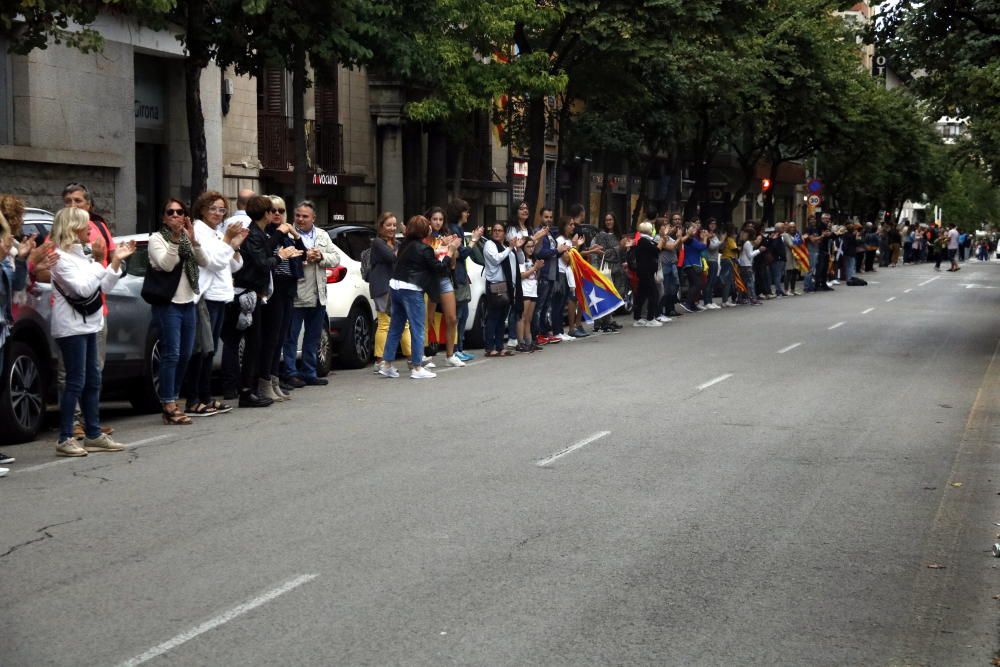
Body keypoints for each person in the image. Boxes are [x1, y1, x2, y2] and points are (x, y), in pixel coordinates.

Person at [48, 207, 135, 456]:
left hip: (90, 323)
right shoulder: (60, 258)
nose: (90, 229)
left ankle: (94, 434)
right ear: (73, 228)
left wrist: (115, 261)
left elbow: (104, 286)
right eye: (85, 225)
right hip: (71, 327)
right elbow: (83, 290)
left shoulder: (83, 255)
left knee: (93, 380)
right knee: (75, 381)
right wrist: (99, 263)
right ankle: (65, 437)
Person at [182, 190, 246, 417]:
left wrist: (235, 244)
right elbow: (213, 262)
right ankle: (195, 398)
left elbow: (235, 265)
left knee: (211, 350)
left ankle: (206, 397)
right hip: (206, 296)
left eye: (221, 210)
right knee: (203, 350)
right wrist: (229, 241)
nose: (218, 213)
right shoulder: (199, 231)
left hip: (221, 296)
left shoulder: (217, 233)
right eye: (213, 208)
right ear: (202, 209)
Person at [61, 183, 117, 437]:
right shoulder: (60, 239)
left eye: (78, 201)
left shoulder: (99, 228)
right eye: (69, 201)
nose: (73, 205)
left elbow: (107, 270)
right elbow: (81, 286)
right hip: (72, 315)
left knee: (94, 371)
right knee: (72, 375)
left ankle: (90, 422)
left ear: (89, 205)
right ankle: (70, 426)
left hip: (97, 309)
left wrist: (114, 264)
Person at [147, 198, 208, 425]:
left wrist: (193, 241)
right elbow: (166, 265)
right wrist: (174, 240)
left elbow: (204, 261)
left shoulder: (186, 238)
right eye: (170, 212)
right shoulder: (157, 239)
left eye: (179, 212)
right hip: (168, 303)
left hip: (187, 302)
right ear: (163, 217)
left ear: (185, 216)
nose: (174, 215)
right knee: (171, 354)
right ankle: (169, 403)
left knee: (185, 354)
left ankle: (173, 397)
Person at [378, 215, 450, 378]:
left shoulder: (405, 244)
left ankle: (387, 364)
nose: (431, 228)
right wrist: (448, 253)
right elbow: (438, 268)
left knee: (395, 327)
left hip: (395, 286)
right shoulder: (424, 248)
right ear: (424, 230)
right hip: (411, 288)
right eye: (428, 226)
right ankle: (417, 367)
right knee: (417, 328)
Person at [282, 200, 338, 387]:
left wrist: (320, 256)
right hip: (297, 293)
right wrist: (304, 257)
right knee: (291, 336)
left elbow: (335, 258)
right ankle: (290, 373)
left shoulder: (322, 235)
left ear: (313, 218)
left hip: (318, 294)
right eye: (298, 215)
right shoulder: (288, 235)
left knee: (313, 337)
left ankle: (309, 372)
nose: (300, 219)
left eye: (305, 216)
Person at [0, 210, 40, 471]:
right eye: (4, 236)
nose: (7, 242)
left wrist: (22, 259)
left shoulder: (4, 262)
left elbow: (16, 288)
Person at [258, 195, 304, 401]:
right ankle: (265, 381)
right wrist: (279, 233)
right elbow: (265, 253)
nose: (277, 214)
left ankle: (275, 380)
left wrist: (294, 233)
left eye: (281, 211)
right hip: (271, 289)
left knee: (282, 337)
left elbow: (302, 253)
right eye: (273, 210)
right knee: (271, 337)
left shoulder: (286, 234)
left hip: (288, 287)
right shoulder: (266, 233)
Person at [370, 212, 412, 369]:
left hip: (396, 285)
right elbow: (393, 257)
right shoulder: (377, 243)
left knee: (404, 323)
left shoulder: (396, 244)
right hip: (382, 286)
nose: (392, 228)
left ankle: (412, 358)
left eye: (394, 225)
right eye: (388, 225)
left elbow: (404, 256)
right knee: (385, 323)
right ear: (381, 226)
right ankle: (379, 361)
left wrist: (407, 239)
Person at [428, 206, 465, 367]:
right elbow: (428, 254)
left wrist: (453, 249)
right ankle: (426, 355)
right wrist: (443, 245)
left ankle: (450, 354)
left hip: (444, 277)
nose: (437, 222)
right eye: (435, 219)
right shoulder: (426, 236)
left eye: (440, 219)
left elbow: (452, 261)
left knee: (452, 318)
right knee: (427, 319)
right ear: (429, 220)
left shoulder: (446, 235)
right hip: (428, 279)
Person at [445, 198, 479, 361]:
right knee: (458, 314)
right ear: (459, 213)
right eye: (466, 211)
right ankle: (456, 349)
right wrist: (474, 240)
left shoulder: (456, 229)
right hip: (456, 276)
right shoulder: (455, 230)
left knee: (463, 312)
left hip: (460, 275)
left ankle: (459, 347)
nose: (468, 214)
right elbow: (462, 253)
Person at [481, 222, 522, 356]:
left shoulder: (505, 247)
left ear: (504, 233)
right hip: (495, 284)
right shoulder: (490, 245)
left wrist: (517, 248)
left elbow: (519, 261)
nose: (497, 232)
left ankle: (500, 346)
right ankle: (489, 347)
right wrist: (510, 248)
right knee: (493, 317)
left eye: (500, 230)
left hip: (507, 286)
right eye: (495, 230)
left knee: (502, 318)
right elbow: (496, 259)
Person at [531, 208, 563, 345]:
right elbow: (538, 252)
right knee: (539, 306)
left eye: (550, 217)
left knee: (546, 306)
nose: (549, 219)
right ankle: (536, 334)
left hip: (551, 274)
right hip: (543, 274)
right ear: (540, 217)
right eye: (546, 216)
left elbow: (553, 253)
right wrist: (556, 250)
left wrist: (562, 251)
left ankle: (545, 332)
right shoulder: (538, 232)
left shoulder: (550, 232)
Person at [592, 212, 625, 331]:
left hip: (618, 269)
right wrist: (619, 248)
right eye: (606, 220)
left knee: (618, 294)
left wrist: (625, 248)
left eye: (610, 219)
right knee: (606, 295)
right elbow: (604, 254)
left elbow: (621, 252)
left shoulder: (617, 235)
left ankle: (609, 319)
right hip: (607, 268)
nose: (609, 222)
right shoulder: (602, 235)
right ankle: (601, 322)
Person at [629, 221, 662, 326]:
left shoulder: (646, 240)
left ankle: (637, 318)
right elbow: (656, 250)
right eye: (651, 228)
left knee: (641, 295)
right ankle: (650, 318)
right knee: (654, 294)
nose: (653, 230)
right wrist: (663, 239)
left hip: (644, 272)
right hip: (646, 272)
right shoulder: (643, 241)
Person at [518, 239, 544, 350]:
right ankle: (520, 342)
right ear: (524, 247)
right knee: (522, 317)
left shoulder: (533, 259)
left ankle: (529, 341)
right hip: (524, 290)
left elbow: (535, 276)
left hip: (533, 290)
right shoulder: (521, 259)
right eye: (528, 246)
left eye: (532, 246)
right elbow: (522, 275)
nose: (531, 249)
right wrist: (534, 268)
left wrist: (538, 269)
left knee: (529, 318)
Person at [680, 220, 707, 312]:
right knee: (697, 284)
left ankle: (692, 305)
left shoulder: (692, 238)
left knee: (693, 284)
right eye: (693, 227)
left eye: (696, 227)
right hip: (690, 264)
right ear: (687, 229)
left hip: (693, 263)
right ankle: (687, 303)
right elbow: (702, 247)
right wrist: (705, 238)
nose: (696, 229)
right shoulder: (689, 239)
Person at [738, 227, 763, 306]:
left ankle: (741, 298)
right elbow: (750, 255)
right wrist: (759, 250)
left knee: (743, 283)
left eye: (745, 233)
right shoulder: (748, 243)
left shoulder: (745, 243)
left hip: (743, 265)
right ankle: (753, 299)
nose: (743, 234)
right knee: (750, 283)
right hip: (747, 265)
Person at [702, 218, 722, 309]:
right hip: (709, 260)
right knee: (709, 282)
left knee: (712, 281)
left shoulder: (714, 234)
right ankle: (707, 302)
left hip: (714, 259)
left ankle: (710, 301)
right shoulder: (706, 233)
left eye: (714, 223)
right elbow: (711, 247)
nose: (713, 225)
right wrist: (721, 241)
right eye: (711, 224)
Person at [719, 224, 739, 307]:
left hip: (724, 259)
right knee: (727, 281)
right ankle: (725, 301)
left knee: (727, 281)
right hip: (729, 259)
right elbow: (735, 249)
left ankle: (725, 300)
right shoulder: (730, 240)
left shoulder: (725, 240)